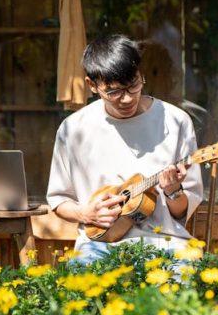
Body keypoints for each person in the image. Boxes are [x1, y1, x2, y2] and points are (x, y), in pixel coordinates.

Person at [47, 34, 203, 263]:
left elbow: (181, 211)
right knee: (79, 289)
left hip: (166, 243)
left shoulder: (175, 121)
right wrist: (85, 213)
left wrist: (173, 190)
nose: (127, 99)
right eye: (114, 92)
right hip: (98, 245)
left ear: (141, 75)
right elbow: (59, 200)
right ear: (92, 85)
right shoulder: (73, 129)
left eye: (133, 86)